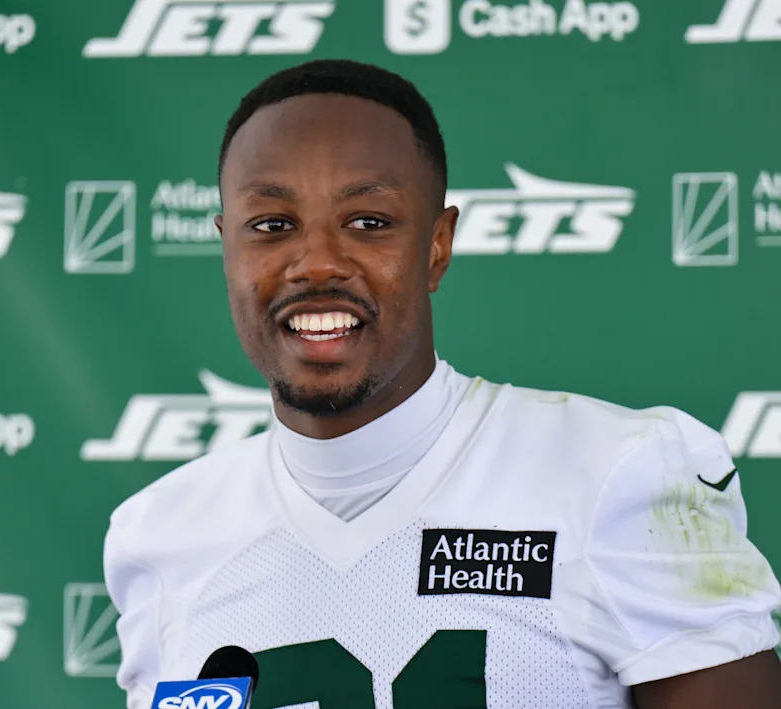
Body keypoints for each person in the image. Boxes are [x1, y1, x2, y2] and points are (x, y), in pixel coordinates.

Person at [103, 59, 781, 708]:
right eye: (272, 226)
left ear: (437, 245)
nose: (315, 264)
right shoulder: (160, 536)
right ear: (226, 246)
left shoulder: (615, 476)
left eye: (368, 222)